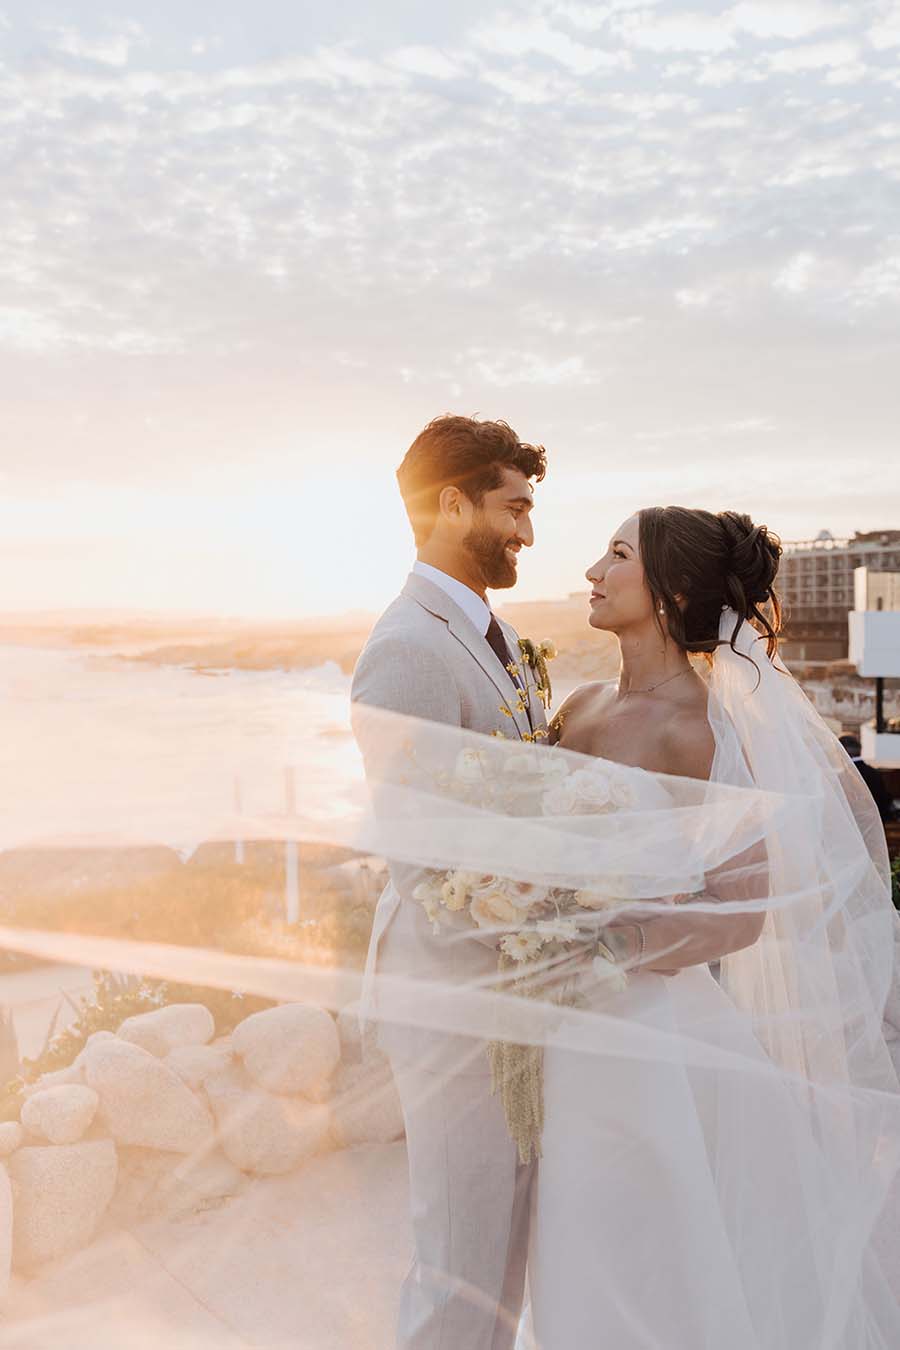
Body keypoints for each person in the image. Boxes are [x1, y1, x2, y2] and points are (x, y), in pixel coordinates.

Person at [525, 506, 900, 1349]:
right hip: (553, 1023)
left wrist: (610, 945)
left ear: (671, 591)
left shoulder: (705, 729)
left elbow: (740, 911)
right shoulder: (577, 707)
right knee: (568, 1239)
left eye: (616, 554)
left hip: (652, 1032)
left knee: (654, 1246)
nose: (591, 570)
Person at [351, 414, 548, 1350]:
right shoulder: (408, 651)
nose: (528, 532)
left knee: (503, 1256)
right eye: (513, 508)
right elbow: (428, 858)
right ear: (451, 502)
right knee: (458, 1260)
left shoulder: (489, 631)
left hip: (511, 990)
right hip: (453, 995)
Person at [839, 733, 896, 822]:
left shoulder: (844, 775)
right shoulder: (874, 773)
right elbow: (884, 800)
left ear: (844, 752)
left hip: (853, 824)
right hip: (875, 822)